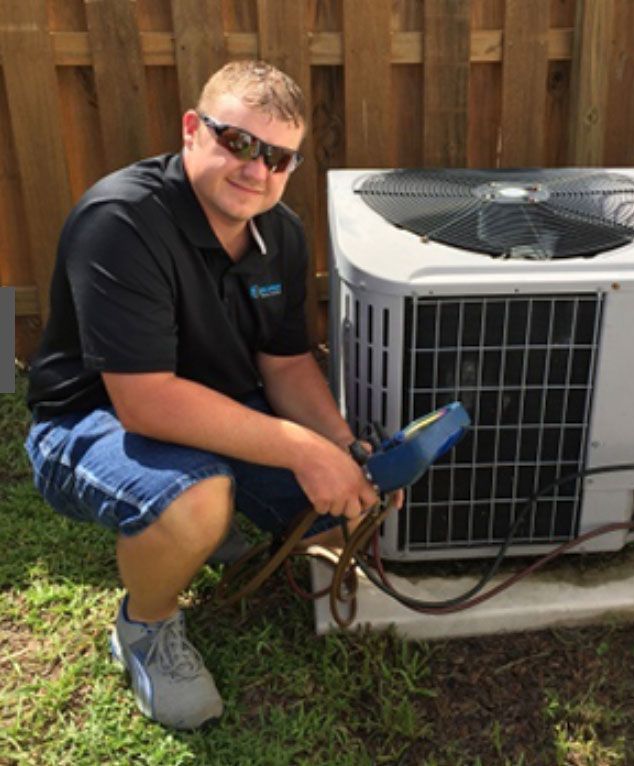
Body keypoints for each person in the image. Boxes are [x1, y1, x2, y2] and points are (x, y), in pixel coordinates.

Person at [24, 60, 388, 730]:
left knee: (342, 509)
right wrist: (302, 449)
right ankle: (146, 625)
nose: (257, 170)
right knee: (197, 498)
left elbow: (285, 365)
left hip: (215, 406)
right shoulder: (120, 220)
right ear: (193, 130)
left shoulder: (280, 232)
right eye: (239, 143)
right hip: (90, 417)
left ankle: (213, 520)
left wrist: (340, 446)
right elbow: (145, 403)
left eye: (279, 158)